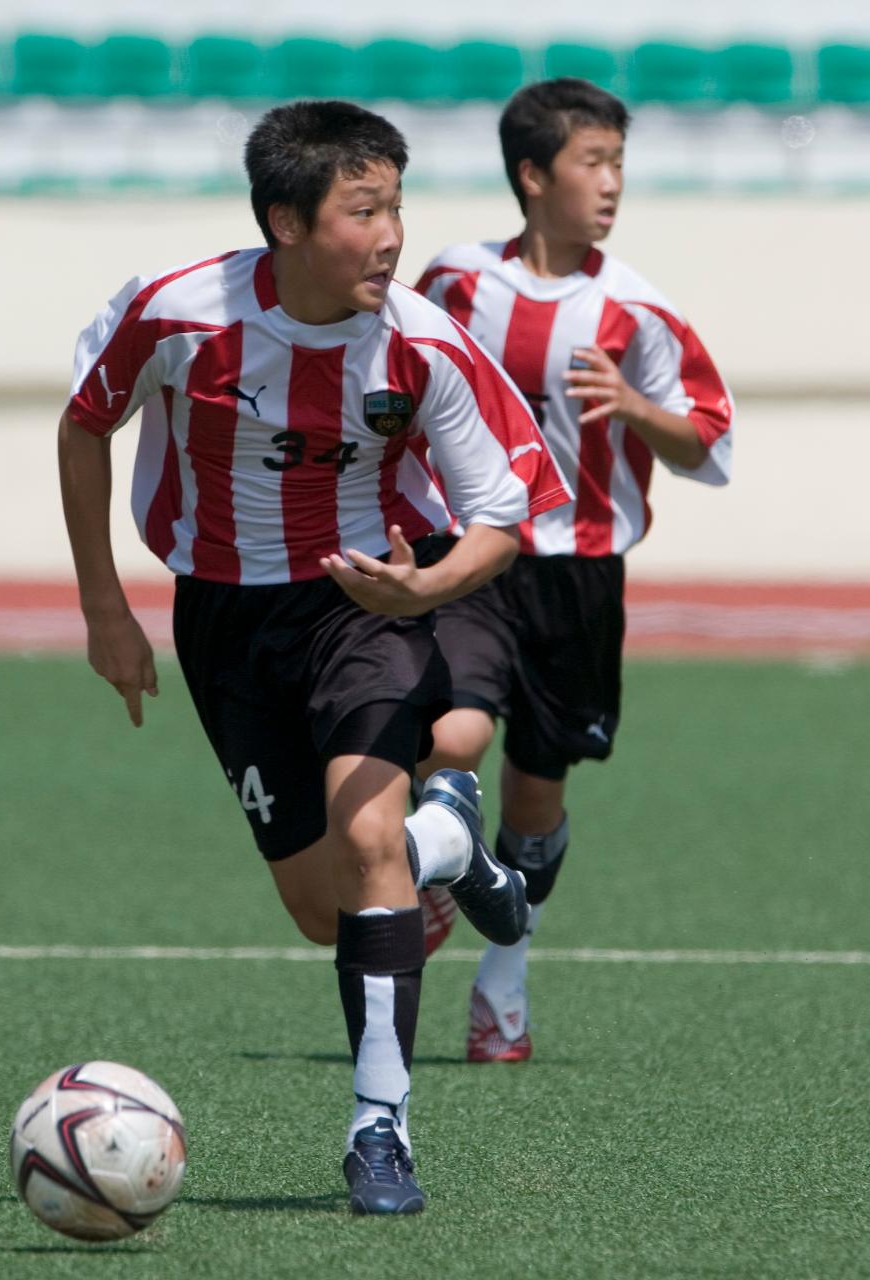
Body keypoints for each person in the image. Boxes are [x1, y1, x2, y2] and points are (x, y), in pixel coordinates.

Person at [57, 100, 569, 1214]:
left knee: (367, 835)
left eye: (395, 206)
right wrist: (104, 605)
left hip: (361, 607)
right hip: (222, 621)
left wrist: (425, 587)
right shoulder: (177, 313)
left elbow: (503, 512)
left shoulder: (423, 343)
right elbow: (84, 422)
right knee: (319, 903)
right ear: (286, 222)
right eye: (362, 209)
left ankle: (377, 1129)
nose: (389, 234)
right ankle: (455, 846)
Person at [414, 78, 734, 1062]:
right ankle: (428, 871)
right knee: (449, 726)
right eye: (593, 163)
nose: (611, 184)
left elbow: (706, 441)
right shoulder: (456, 282)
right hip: (476, 551)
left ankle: (501, 967)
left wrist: (638, 410)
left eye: (618, 165)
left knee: (538, 796)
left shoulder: (636, 308)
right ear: (530, 175)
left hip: (581, 571)